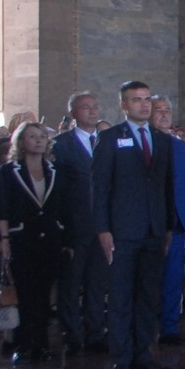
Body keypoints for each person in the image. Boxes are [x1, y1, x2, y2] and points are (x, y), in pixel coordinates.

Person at [93, 81, 178, 369]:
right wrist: (102, 229)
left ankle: (143, 354)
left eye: (146, 99)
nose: (144, 105)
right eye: (136, 100)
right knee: (120, 297)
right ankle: (122, 358)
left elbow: (166, 187)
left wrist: (168, 226)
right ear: (123, 105)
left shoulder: (162, 140)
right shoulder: (110, 138)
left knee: (147, 297)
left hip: (154, 230)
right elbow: (100, 187)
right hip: (122, 231)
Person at [0, 121, 68, 363]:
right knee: (26, 294)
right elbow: (3, 207)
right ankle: (24, 344)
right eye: (32, 136)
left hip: (49, 239)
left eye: (41, 136)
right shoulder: (9, 171)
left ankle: (42, 344)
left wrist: (63, 236)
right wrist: (5, 238)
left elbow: (61, 207)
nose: (38, 140)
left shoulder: (55, 170)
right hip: (22, 238)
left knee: (43, 294)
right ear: (21, 142)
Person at [52, 92, 110, 355]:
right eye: (85, 107)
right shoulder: (61, 145)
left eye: (94, 106)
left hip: (102, 226)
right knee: (71, 284)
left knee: (97, 283)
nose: (92, 111)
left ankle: (96, 333)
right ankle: (72, 335)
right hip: (75, 226)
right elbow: (58, 191)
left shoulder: (107, 142)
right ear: (73, 113)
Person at [152, 96, 185, 345]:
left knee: (173, 279)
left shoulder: (180, 146)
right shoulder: (143, 143)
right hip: (151, 223)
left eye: (167, 110)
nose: (163, 114)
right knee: (149, 278)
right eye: (158, 110)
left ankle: (170, 328)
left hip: (179, 221)